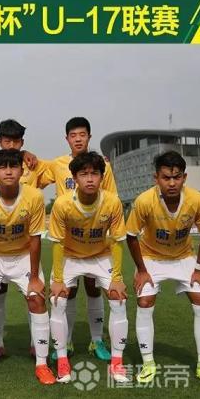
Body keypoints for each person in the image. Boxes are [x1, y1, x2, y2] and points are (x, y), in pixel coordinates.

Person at [0, 149, 56, 385]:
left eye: (13, 166)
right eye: (3, 167)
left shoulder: (34, 196)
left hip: (23, 255)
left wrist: (34, 278)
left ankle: (42, 364)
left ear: (22, 170)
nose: (8, 171)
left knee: (36, 298)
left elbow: (35, 238)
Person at [48, 151, 130, 384]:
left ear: (102, 177)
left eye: (95, 173)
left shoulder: (112, 202)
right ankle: (62, 360)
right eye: (84, 174)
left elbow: (117, 241)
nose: (90, 178)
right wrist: (58, 280)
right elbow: (57, 243)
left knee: (118, 298)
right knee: (57, 299)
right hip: (70, 256)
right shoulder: (62, 204)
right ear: (75, 178)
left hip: (100, 256)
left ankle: (117, 362)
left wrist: (117, 277)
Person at [39, 117, 117, 362]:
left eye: (82, 134)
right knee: (67, 292)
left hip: (94, 239)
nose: (78, 139)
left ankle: (97, 341)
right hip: (68, 241)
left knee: (94, 289)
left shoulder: (103, 166)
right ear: (67, 139)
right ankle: (67, 341)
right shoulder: (57, 164)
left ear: (89, 137)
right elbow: (34, 175)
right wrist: (26, 156)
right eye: (73, 135)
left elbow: (111, 199)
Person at [125, 151, 200, 383]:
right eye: (166, 177)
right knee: (144, 302)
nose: (171, 183)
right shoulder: (144, 201)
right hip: (151, 257)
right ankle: (148, 363)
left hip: (183, 257)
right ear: (156, 178)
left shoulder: (197, 200)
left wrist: (199, 269)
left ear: (184, 177)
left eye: (176, 177)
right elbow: (131, 236)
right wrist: (141, 270)